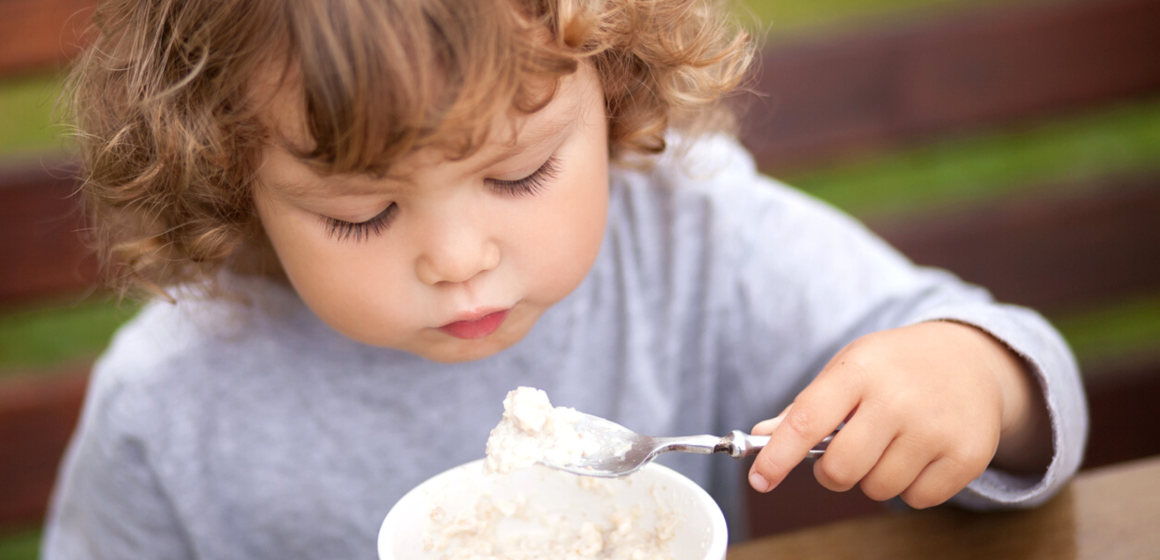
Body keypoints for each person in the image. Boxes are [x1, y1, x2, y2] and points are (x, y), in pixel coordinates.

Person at [43, 0, 1087, 558]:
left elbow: (1013, 376)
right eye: (361, 212)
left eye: (519, 171)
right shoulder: (171, 411)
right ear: (228, 179)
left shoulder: (689, 237)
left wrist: (969, 380)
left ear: (613, 88)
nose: (456, 259)